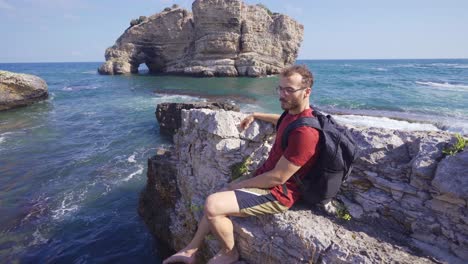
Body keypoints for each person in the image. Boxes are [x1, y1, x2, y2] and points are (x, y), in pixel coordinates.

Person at [162, 65, 320, 264]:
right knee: (217, 197)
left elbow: (279, 177)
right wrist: (255, 114)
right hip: (266, 178)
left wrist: (242, 184)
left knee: (213, 204)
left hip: (279, 193)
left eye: (289, 90)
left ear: (307, 92)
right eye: (280, 89)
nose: (282, 95)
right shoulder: (291, 114)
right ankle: (190, 250)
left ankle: (229, 253)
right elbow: (280, 121)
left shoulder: (305, 133)